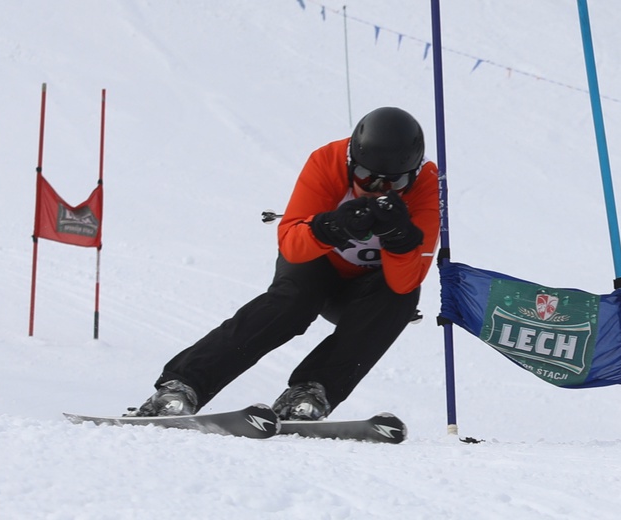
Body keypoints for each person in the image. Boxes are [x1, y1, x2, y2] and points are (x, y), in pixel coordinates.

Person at [127, 106, 440, 420]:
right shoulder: (327, 161)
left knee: (401, 299)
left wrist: (399, 237)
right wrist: (330, 226)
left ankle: (311, 392)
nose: (376, 189)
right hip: (316, 266)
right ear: (350, 163)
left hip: (364, 292)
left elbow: (406, 281)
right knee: (292, 302)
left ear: (412, 176)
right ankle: (182, 386)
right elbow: (292, 246)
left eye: (393, 183)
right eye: (364, 177)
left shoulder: (428, 185)